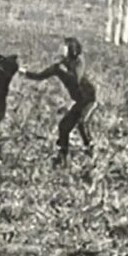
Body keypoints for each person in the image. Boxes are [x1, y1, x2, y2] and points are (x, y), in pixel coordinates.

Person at [21, 37, 98, 167]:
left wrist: (62, 70)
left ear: (71, 49)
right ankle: (63, 157)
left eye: (65, 46)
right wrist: (25, 73)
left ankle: (90, 149)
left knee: (82, 122)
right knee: (63, 127)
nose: (62, 48)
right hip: (80, 101)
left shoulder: (78, 61)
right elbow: (41, 75)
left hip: (89, 99)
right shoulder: (60, 65)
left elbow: (76, 79)